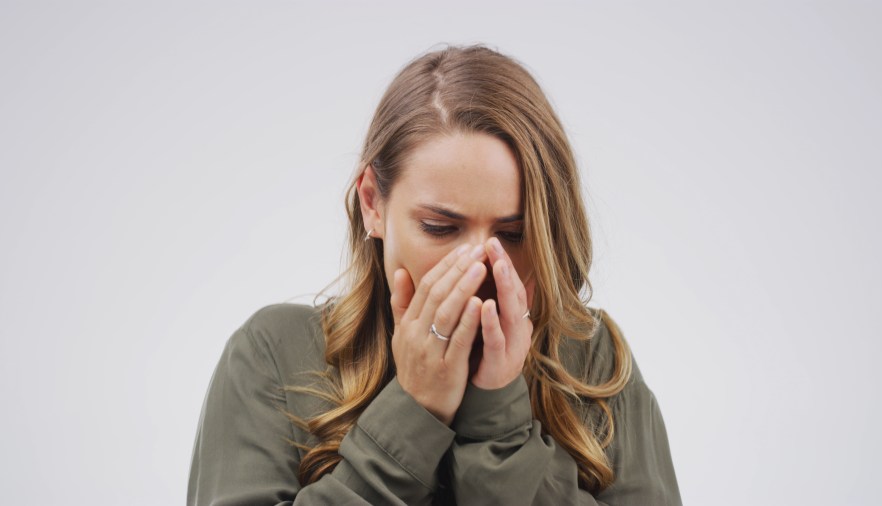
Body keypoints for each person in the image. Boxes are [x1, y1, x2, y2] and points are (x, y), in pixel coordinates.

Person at [187, 44, 682, 505]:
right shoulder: (275, 353)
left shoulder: (592, 360)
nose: (479, 265)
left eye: (513, 234)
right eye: (440, 228)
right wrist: (413, 409)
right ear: (371, 204)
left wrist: (500, 427)